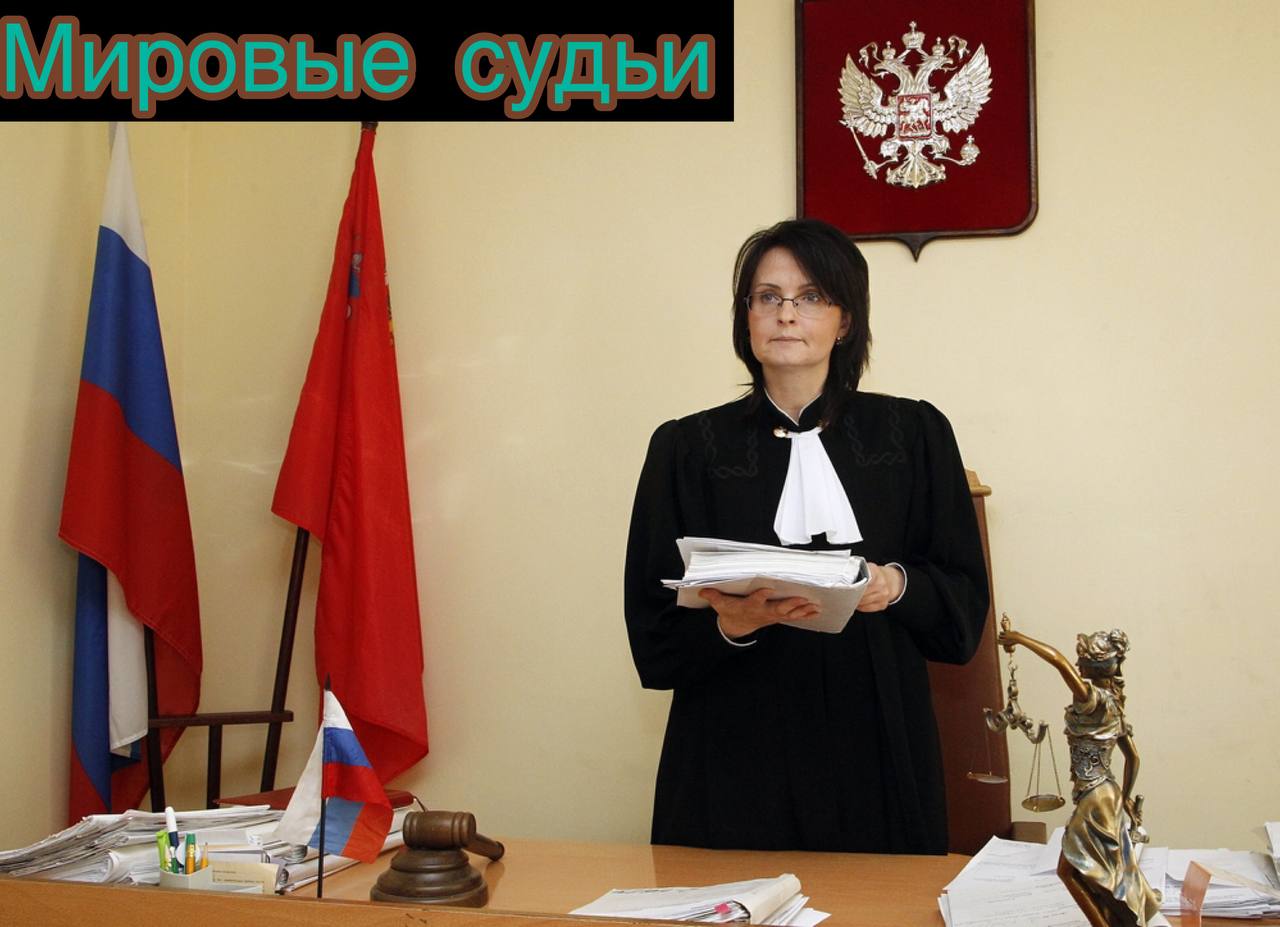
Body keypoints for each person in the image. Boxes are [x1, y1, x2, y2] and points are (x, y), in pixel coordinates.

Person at [623, 218, 990, 853]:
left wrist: (893, 585)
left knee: (877, 901)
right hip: (732, 741)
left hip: (877, 738)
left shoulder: (914, 434)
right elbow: (652, 638)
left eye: (811, 296)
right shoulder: (685, 447)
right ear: (746, 317)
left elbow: (962, 615)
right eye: (767, 297)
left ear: (845, 321)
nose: (786, 314)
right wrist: (731, 623)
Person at [997, 622, 1161, 927]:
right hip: (1108, 793)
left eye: (1081, 660)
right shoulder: (1114, 705)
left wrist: (1019, 638)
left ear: (1091, 666)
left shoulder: (1090, 698)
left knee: (1069, 871)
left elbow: (1058, 661)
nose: (1076, 664)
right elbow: (1133, 757)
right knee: (1095, 871)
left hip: (1094, 796)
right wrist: (1125, 798)